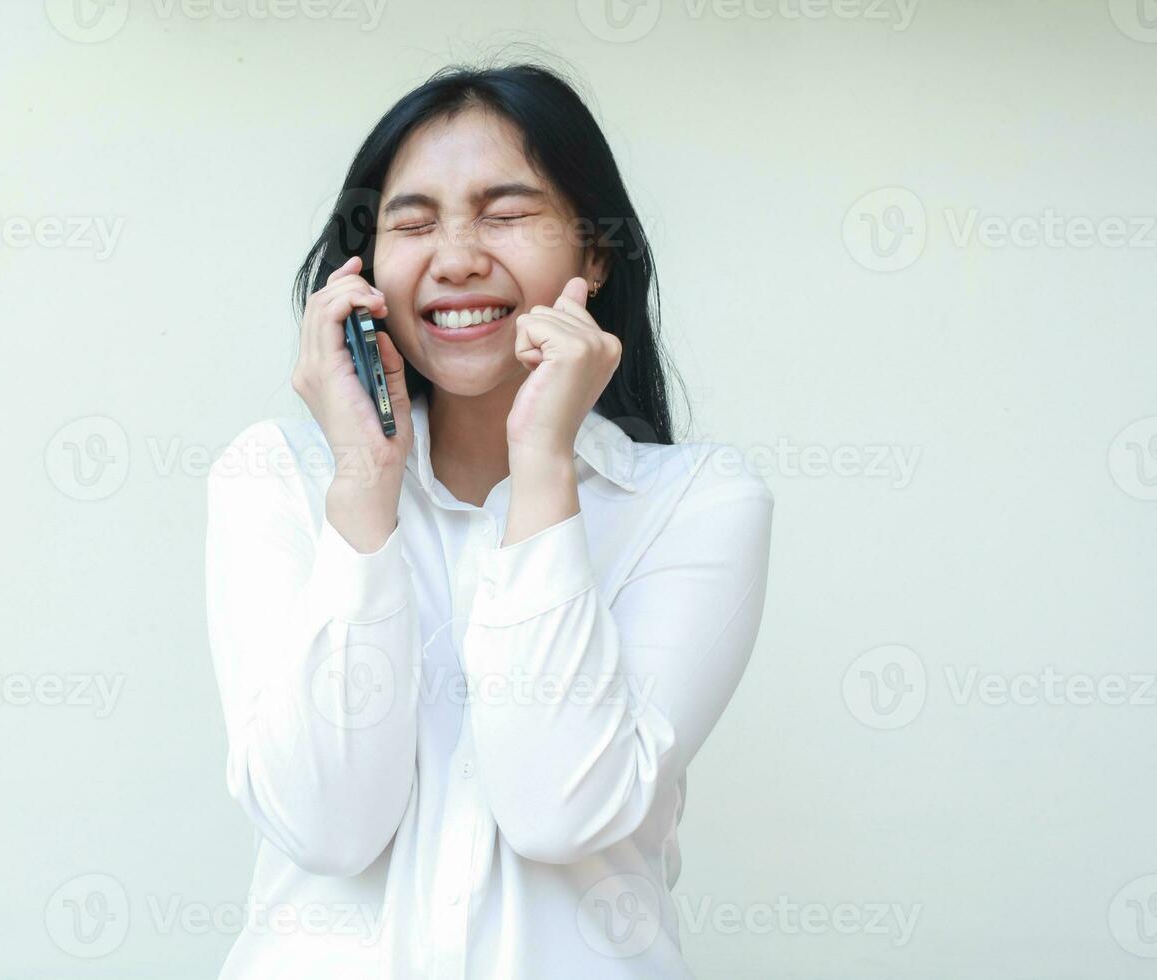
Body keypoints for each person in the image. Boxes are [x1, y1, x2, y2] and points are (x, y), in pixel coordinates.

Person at [205, 58, 775, 979]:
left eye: (507, 214)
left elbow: (561, 809)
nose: (458, 255)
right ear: (363, 270)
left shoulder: (696, 503)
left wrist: (543, 466)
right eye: (414, 221)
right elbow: (326, 824)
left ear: (595, 253)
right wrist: (363, 485)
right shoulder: (272, 479)